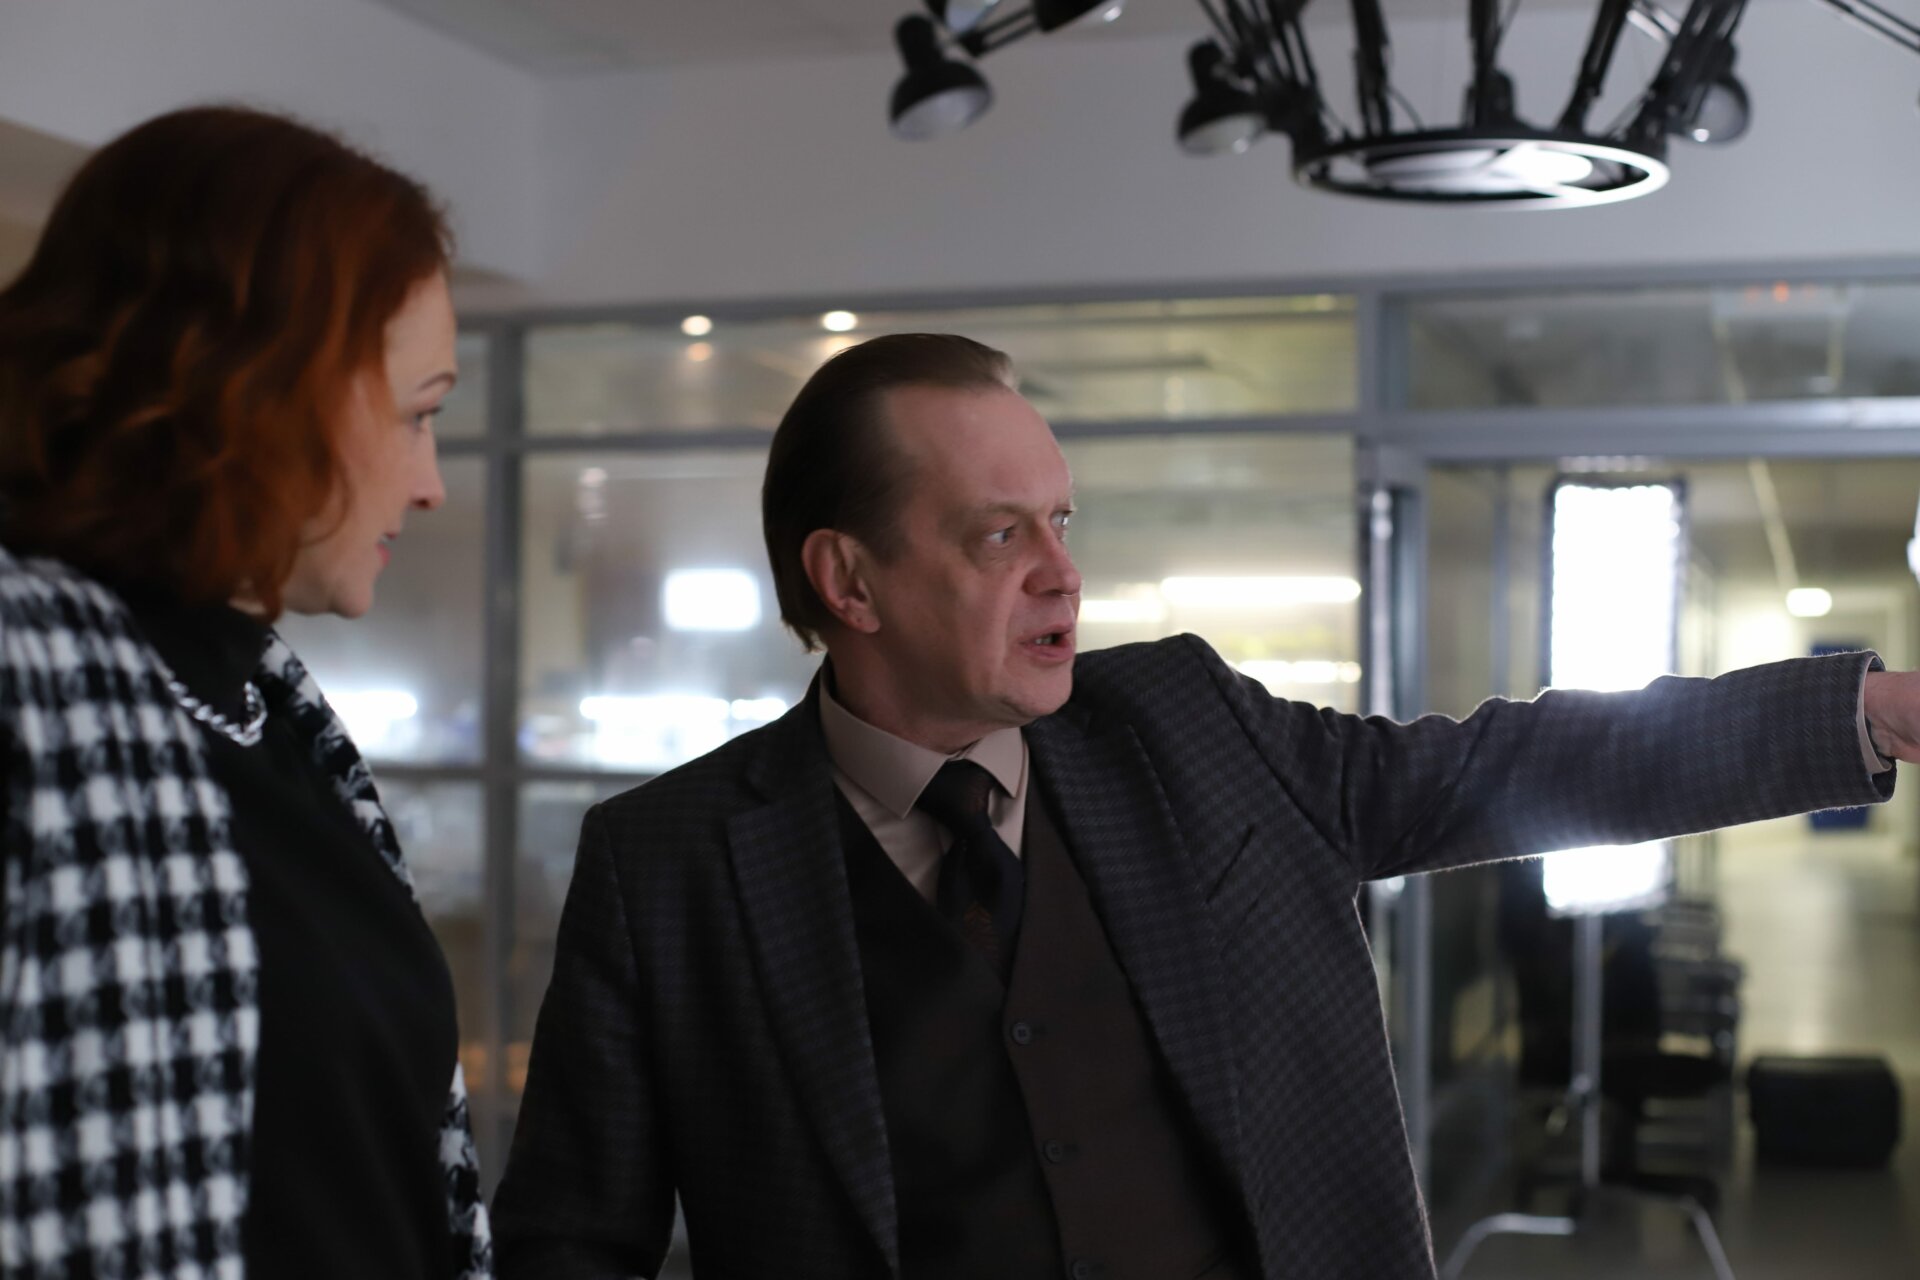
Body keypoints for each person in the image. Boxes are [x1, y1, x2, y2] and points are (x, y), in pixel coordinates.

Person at [492, 333, 1916, 1279]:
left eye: (1063, 521)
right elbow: (571, 1244)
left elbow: (1509, 764)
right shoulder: (665, 867)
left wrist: (1863, 714)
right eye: (999, 533)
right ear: (848, 581)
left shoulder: (1182, 725)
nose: (1062, 572)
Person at [0, 107, 490, 1278]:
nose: (429, 482)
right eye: (417, 412)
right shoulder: (35, 684)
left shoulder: (269, 704)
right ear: (263, 386)